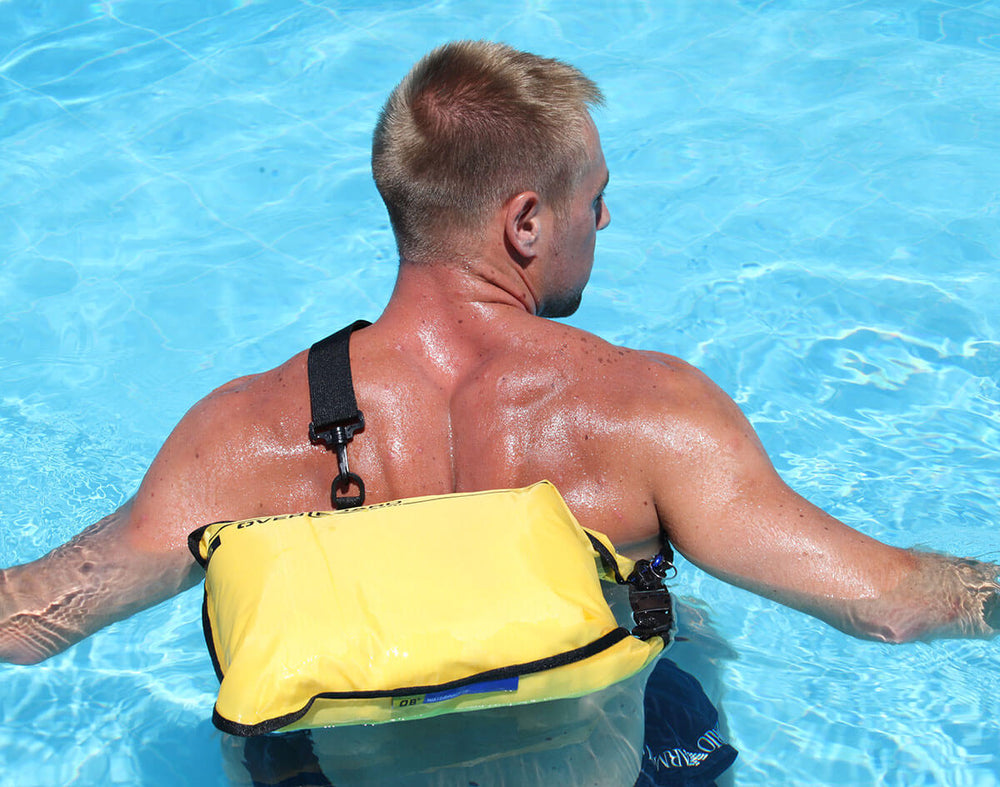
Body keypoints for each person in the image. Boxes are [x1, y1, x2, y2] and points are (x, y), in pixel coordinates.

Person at [1, 39, 997, 784]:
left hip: (342, 769)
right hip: (595, 760)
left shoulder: (241, 434)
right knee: (679, 629)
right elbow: (889, 604)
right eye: (592, 196)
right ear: (525, 220)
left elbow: (32, 619)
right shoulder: (652, 414)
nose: (602, 218)